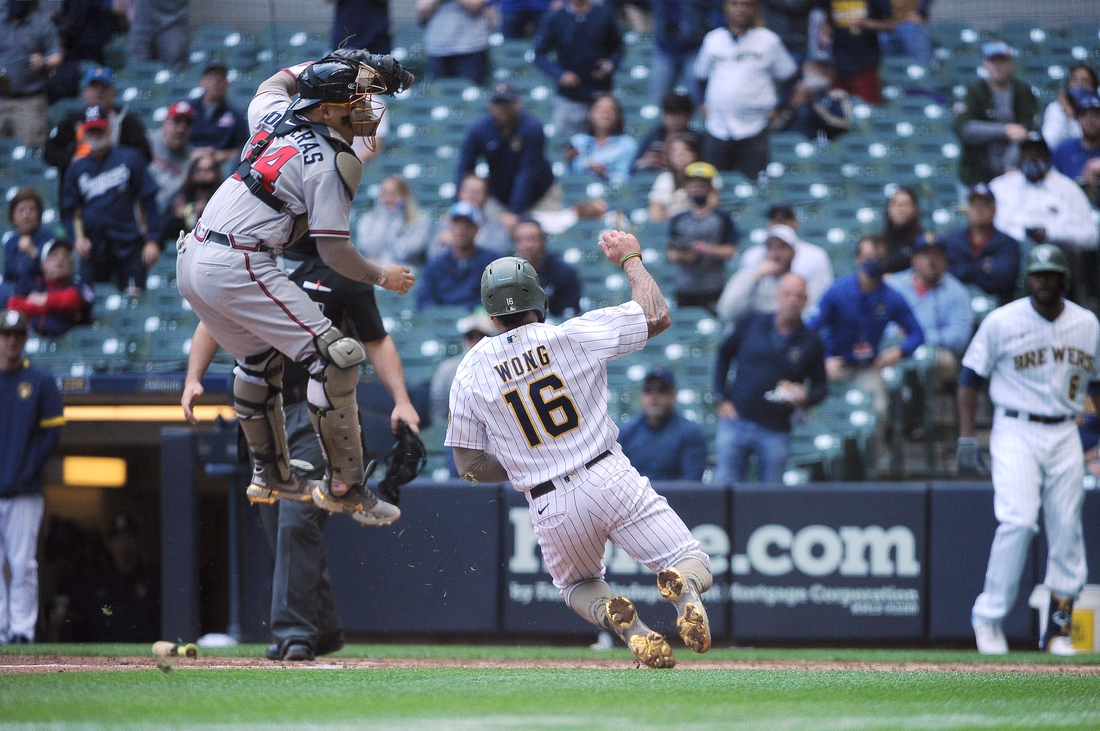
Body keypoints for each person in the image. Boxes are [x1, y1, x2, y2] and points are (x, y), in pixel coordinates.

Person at [446, 234, 715, 668]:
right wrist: (630, 258)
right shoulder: (572, 335)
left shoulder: (469, 370)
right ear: (538, 295)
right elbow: (657, 315)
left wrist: (520, 466)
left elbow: (468, 465)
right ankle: (681, 585)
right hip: (607, 473)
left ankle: (627, 626)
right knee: (691, 560)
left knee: (579, 585)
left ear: (490, 310)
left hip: (549, 498)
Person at [175, 50, 417, 527]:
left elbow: (276, 79)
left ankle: (270, 474)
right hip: (239, 259)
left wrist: (333, 62)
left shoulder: (271, 114)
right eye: (354, 100)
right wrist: (381, 276)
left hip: (192, 257)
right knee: (337, 357)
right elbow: (333, 252)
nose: (365, 109)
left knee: (257, 362)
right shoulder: (333, 160)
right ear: (326, 111)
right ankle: (347, 487)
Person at [183, 237, 421, 662]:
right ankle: (324, 630)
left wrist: (401, 400)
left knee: (296, 518)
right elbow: (210, 320)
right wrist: (193, 378)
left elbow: (376, 340)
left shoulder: (345, 272)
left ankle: (294, 634)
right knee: (283, 532)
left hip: (319, 414)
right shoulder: (255, 262)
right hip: (265, 410)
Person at [958, 245, 1100, 656]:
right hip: (1015, 427)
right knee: (1018, 521)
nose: (1043, 281)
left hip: (1064, 432)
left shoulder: (1087, 323)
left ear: (1063, 279)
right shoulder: (1002, 320)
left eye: (1051, 274)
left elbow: (1096, 384)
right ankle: (988, 617)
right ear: (1027, 278)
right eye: (1037, 274)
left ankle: (1058, 627)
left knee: (1067, 528)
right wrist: (967, 436)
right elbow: (969, 377)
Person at [808, 235, 923, 468]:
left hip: (867, 366)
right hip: (835, 365)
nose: (874, 262)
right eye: (869, 257)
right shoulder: (837, 291)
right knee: (818, 407)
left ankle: (874, 463)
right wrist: (823, 359)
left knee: (878, 409)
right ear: (857, 258)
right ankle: (821, 462)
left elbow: (918, 334)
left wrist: (899, 352)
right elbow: (809, 331)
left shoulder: (891, 297)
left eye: (880, 258)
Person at [713, 273, 826, 483]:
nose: (792, 300)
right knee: (723, 488)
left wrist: (806, 397)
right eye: (787, 294)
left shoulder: (811, 341)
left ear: (805, 301)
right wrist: (721, 397)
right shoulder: (752, 322)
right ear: (778, 296)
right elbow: (723, 354)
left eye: (798, 296)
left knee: (771, 496)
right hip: (737, 420)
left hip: (776, 429)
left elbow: (821, 387)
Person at [0, 309, 64, 644]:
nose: (11, 341)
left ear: (25, 339)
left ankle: (21, 630)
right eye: (6, 335)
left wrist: (26, 468)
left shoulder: (39, 381)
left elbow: (51, 435)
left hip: (24, 490)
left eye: (17, 335)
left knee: (23, 563)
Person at [989, 135, 1099, 309]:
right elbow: (990, 229)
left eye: (1038, 153)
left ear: (1048, 156)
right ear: (1020, 156)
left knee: (1051, 256)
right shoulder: (1001, 186)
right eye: (1028, 153)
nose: (1033, 157)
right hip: (1013, 256)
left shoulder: (1068, 188)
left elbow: (1091, 237)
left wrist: (1050, 233)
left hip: (1058, 256)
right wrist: (1025, 235)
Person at [60, 106, 161, 294]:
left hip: (129, 243)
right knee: (90, 302)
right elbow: (69, 211)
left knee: (134, 297)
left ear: (109, 129)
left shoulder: (131, 158)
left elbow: (148, 200)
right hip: (93, 249)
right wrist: (77, 239)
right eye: (91, 130)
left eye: (100, 129)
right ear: (84, 133)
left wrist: (153, 239)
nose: (96, 135)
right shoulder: (76, 169)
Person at [693, 0, 797, 179]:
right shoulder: (713, 39)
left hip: (754, 127)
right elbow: (700, 76)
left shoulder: (768, 40)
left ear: (755, 8)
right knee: (712, 183)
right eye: (735, 4)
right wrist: (701, 102)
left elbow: (789, 76)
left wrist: (780, 108)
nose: (740, 9)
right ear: (726, 7)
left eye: (746, 4)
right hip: (717, 126)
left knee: (752, 184)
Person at [455, 83, 559, 228]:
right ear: (490, 105)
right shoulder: (480, 129)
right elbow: (465, 167)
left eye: (506, 102)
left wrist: (514, 212)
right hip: (500, 197)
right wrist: (457, 206)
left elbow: (527, 172)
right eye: (497, 103)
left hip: (540, 196)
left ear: (517, 104)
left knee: (539, 237)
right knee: (491, 234)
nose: (502, 108)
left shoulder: (532, 128)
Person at [887, 238, 973, 404]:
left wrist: (918, 337)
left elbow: (959, 337)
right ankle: (889, 420)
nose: (931, 261)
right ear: (914, 259)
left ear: (945, 260)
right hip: (894, 347)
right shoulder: (893, 285)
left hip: (936, 352)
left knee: (927, 360)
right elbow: (877, 321)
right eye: (925, 255)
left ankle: (924, 419)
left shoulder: (956, 291)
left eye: (937, 256)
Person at [44, 66, 151, 185]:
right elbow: (50, 152)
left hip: (120, 187)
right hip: (79, 185)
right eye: (94, 87)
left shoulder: (127, 120)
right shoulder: (72, 121)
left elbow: (144, 154)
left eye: (104, 87)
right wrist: (71, 159)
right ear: (85, 91)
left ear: (113, 92)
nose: (99, 92)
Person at [953, 42, 1040, 187]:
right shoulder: (974, 92)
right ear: (985, 64)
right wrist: (1005, 130)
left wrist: (1010, 162)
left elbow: (1029, 130)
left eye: (1002, 61)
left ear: (1011, 64)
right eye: (993, 61)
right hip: (975, 174)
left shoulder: (1023, 91)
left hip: (1014, 174)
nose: (997, 66)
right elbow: (964, 128)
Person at [533, 0, 623, 139]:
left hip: (600, 94)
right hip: (570, 97)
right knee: (569, 147)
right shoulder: (555, 18)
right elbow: (539, 54)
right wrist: (560, 74)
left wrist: (611, 64)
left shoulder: (603, 15)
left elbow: (617, 48)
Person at [665, 161, 738, 312]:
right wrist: (686, 256)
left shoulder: (721, 217)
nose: (696, 188)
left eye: (701, 184)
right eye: (692, 183)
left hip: (713, 286)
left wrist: (705, 249)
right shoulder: (679, 219)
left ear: (711, 187)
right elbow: (671, 254)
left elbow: (731, 251)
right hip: (685, 287)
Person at [618, 367, 707, 481]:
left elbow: (691, 480)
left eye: (661, 390)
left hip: (675, 497)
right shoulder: (627, 431)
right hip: (635, 497)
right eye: (648, 389)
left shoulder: (690, 432)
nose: (654, 396)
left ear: (673, 395)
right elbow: (619, 478)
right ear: (641, 395)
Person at [940, 183, 1020, 305]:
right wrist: (982, 267)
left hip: (998, 306)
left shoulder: (1008, 243)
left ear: (994, 210)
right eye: (974, 205)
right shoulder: (952, 240)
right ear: (967, 209)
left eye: (984, 205)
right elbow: (948, 275)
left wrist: (965, 269)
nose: (979, 210)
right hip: (955, 304)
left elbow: (1004, 279)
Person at [0, 0, 62, 148]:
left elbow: (56, 56)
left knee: (29, 149)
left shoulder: (42, 24)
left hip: (29, 101)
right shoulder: (1, 22)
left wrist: (44, 62)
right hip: (1, 98)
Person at [716, 223, 804, 325]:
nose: (776, 254)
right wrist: (755, 278)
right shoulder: (746, 276)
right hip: (747, 335)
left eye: (782, 247)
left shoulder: (797, 284)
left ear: (793, 253)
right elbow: (726, 313)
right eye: (771, 247)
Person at [417, 202, 498, 312]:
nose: (462, 229)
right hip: (442, 323)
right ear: (450, 227)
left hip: (477, 323)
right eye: (457, 223)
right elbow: (425, 301)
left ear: (477, 229)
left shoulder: (491, 262)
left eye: (468, 224)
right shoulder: (435, 264)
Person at [6, 239, 94, 337]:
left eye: (66, 255)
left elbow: (71, 300)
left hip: (68, 345)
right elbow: (13, 306)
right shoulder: (32, 283)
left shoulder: (79, 284)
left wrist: (43, 300)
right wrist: (55, 309)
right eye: (54, 255)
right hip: (32, 343)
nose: (60, 259)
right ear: (43, 264)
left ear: (72, 265)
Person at [820, 0, 893, 104]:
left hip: (866, 64)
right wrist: (825, 29)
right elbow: (826, 17)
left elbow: (891, 25)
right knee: (839, 110)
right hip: (837, 64)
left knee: (868, 109)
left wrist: (866, 23)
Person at [430, 310, 494, 428]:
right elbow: (439, 411)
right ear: (464, 341)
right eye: (471, 337)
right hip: (457, 429)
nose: (476, 342)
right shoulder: (447, 369)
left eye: (482, 337)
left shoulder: (499, 365)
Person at [648, 0, 718, 106]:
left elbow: (716, 8)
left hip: (694, 49)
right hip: (664, 49)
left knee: (700, 100)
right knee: (657, 101)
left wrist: (710, 24)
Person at [511, 217, 582, 320]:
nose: (528, 245)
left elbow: (570, 312)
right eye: (521, 240)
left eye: (532, 239)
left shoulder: (564, 272)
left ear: (543, 240)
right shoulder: (508, 274)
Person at [355, 175, 432, 268]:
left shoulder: (420, 221)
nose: (387, 198)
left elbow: (403, 253)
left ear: (404, 196)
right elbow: (369, 250)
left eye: (392, 194)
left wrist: (396, 219)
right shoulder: (368, 219)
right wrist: (384, 219)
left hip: (406, 272)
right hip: (375, 272)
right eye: (384, 193)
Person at [188, 60, 250, 170]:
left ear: (227, 84)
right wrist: (193, 153)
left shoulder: (236, 116)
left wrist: (222, 155)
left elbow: (245, 148)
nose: (215, 82)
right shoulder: (187, 109)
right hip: (187, 163)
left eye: (220, 79)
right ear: (202, 81)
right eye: (211, 78)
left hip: (221, 168)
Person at [0, 189, 57, 306]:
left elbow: (54, 275)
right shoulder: (10, 243)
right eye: (21, 210)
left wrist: (33, 252)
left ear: (40, 214)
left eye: (32, 210)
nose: (26, 215)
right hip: (13, 296)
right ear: (12, 217)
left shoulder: (51, 240)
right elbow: (8, 276)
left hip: (40, 294)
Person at [647, 133, 723, 222]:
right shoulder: (664, 178)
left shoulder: (708, 172)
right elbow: (654, 214)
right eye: (675, 151)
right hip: (673, 227)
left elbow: (712, 205)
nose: (680, 155)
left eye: (686, 150)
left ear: (695, 153)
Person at [564, 94, 638, 184]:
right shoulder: (577, 141)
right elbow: (569, 176)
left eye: (611, 109)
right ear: (590, 114)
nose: (605, 112)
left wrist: (605, 174)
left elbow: (625, 180)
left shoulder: (627, 144)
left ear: (618, 116)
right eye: (600, 108)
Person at [779, 54, 853, 141]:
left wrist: (813, 104)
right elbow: (777, 127)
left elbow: (844, 125)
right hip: (793, 144)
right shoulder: (793, 92)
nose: (819, 72)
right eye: (815, 67)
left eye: (824, 68)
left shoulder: (838, 96)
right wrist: (792, 106)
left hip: (824, 146)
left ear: (832, 73)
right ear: (805, 69)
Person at [416, 0, 491, 86]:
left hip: (471, 48)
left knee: (471, 92)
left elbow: (475, 5)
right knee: (438, 95)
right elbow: (422, 11)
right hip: (437, 50)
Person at [159, 152, 220, 247]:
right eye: (199, 170)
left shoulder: (221, 199)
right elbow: (163, 232)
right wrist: (177, 217)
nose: (203, 174)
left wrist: (205, 215)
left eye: (208, 169)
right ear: (192, 173)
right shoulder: (182, 197)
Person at [633, 92, 703, 173]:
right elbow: (633, 166)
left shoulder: (697, 140)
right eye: (669, 114)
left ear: (688, 116)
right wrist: (643, 163)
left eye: (678, 114)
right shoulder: (655, 136)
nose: (673, 119)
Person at [1051, 90, 1100, 203]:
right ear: (1078, 119)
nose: (1090, 120)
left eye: (1096, 115)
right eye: (1084, 115)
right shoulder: (1064, 148)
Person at [147, 100, 195, 213]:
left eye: (187, 124)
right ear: (165, 123)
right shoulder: (147, 141)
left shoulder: (191, 156)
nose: (181, 129)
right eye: (176, 121)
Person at [1042, 64, 1098, 152]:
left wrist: (1072, 118)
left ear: (1093, 87)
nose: (1079, 84)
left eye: (1085, 81)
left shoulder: (1097, 110)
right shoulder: (1056, 108)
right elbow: (1050, 142)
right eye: (1074, 79)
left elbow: (1087, 141)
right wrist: (1066, 114)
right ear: (1068, 84)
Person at [881, 187, 935, 274]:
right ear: (888, 209)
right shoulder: (881, 243)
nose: (900, 209)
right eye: (895, 204)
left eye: (905, 204)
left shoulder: (925, 241)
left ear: (915, 209)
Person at [126, 0, 188, 70]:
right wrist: (129, 5)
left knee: (174, 67)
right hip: (141, 23)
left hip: (171, 21)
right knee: (137, 67)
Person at [877, 0, 932, 68]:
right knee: (891, 67)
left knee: (919, 66)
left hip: (911, 24)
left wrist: (920, 12)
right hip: (886, 24)